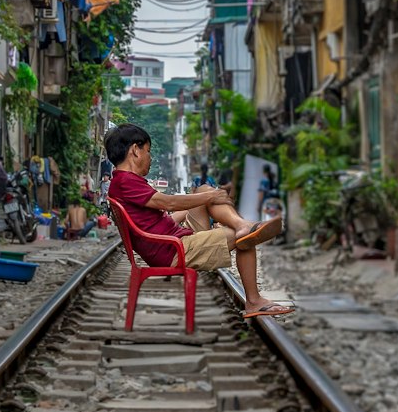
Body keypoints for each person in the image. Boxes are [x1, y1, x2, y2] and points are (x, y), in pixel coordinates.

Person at [103, 125, 293, 320]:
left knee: (202, 189)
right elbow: (168, 202)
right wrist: (212, 196)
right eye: (148, 151)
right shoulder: (126, 181)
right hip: (173, 250)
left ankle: (240, 224)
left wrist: (205, 198)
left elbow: (158, 218)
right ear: (135, 150)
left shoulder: (121, 182)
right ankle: (253, 300)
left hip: (171, 241)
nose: (150, 158)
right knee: (246, 237)